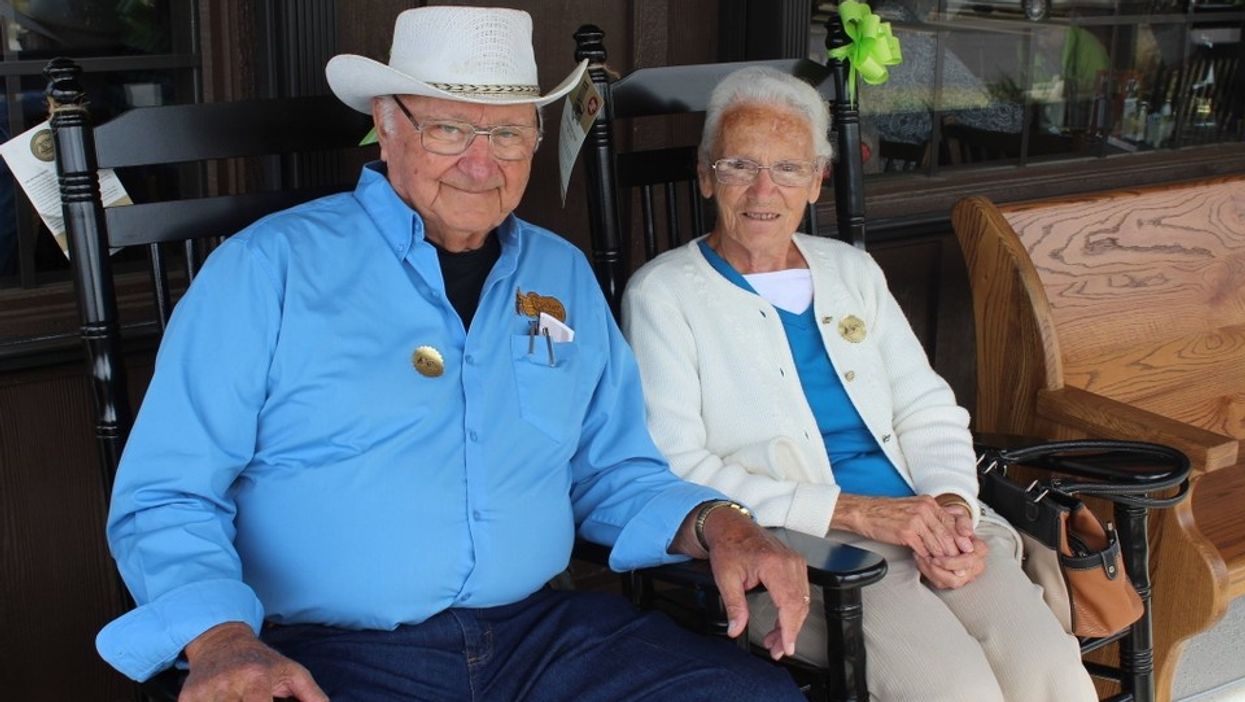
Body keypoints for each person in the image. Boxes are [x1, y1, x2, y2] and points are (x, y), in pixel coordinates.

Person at [95, 9, 812, 701]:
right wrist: (221, 641)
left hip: (540, 641)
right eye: (447, 128)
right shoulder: (267, 270)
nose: (480, 163)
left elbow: (609, 472)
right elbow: (167, 496)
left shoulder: (558, 277)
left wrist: (720, 522)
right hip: (327, 650)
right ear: (385, 122)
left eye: (507, 132)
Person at [621, 65, 1098, 702]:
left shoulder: (852, 271)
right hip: (801, 548)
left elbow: (927, 407)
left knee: (1051, 671)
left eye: (789, 168)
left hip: (925, 519)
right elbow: (677, 466)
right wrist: (857, 512)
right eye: (740, 165)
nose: (765, 189)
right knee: (955, 689)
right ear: (707, 174)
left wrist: (953, 508)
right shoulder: (665, 294)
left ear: (817, 180)